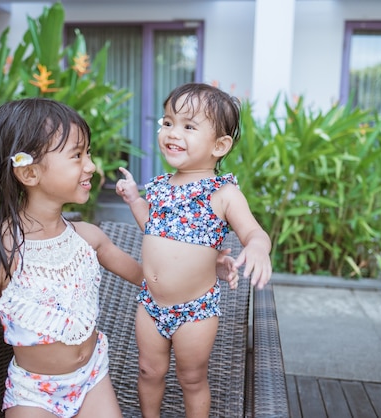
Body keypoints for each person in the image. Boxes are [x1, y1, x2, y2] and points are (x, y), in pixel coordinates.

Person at [0, 97, 238, 418]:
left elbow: (150, 278)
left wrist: (200, 265)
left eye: (88, 153)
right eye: (77, 155)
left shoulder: (88, 237)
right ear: (30, 173)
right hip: (35, 392)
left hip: (93, 379)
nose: (91, 166)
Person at [115, 82, 272, 418]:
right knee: (148, 371)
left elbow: (253, 232)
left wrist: (258, 248)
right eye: (168, 122)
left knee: (192, 378)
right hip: (151, 303)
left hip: (194, 310)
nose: (172, 132)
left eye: (188, 126)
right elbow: (154, 227)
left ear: (219, 145)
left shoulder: (224, 194)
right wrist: (134, 199)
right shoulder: (160, 186)